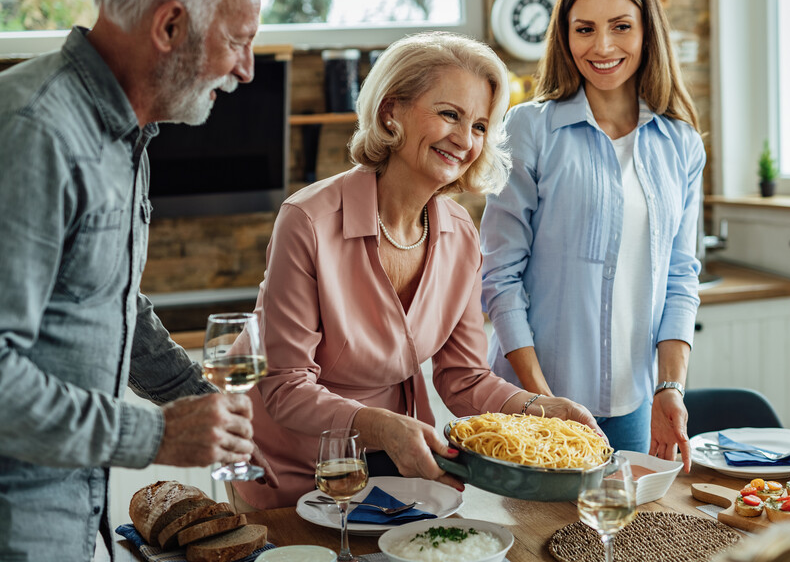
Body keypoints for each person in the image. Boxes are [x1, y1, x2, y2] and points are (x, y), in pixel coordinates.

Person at [232, 31, 601, 511]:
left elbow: (463, 377)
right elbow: (284, 386)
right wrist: (383, 426)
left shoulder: (460, 234)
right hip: (293, 462)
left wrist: (541, 408)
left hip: (396, 458)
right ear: (391, 112)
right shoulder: (309, 220)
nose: (465, 140)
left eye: (481, 126)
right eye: (449, 114)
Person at [0, 0, 269, 559]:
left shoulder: (129, 138)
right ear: (170, 25)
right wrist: (157, 435)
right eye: (237, 41)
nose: (245, 70)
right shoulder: (33, 131)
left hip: (70, 510)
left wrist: (204, 403)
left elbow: (110, 299)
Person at [480, 0, 704, 472]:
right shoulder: (530, 128)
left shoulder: (681, 144)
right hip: (531, 402)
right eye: (585, 29)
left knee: (615, 545)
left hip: (634, 407)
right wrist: (543, 402)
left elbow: (679, 278)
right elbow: (499, 276)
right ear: (565, 37)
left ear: (648, 31)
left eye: (621, 26)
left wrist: (670, 387)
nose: (602, 47)